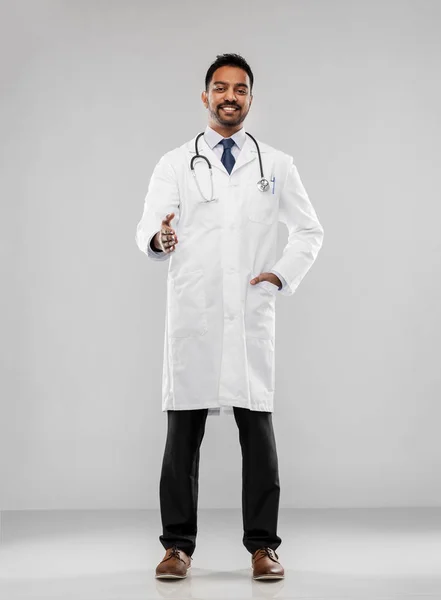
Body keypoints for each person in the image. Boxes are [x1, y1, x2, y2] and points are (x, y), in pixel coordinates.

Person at [135, 53, 324, 580]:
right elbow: (150, 222)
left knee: (258, 437)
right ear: (205, 97)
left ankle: (264, 547)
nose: (230, 97)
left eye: (240, 89)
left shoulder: (276, 166)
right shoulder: (176, 163)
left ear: (250, 99)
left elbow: (310, 231)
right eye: (220, 88)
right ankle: (176, 547)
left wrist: (280, 274)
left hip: (247, 317)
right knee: (182, 441)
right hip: (194, 317)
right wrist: (160, 237)